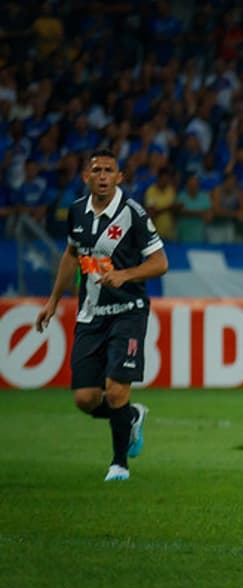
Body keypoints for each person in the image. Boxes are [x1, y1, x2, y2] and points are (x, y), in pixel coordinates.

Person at [34, 149, 168, 482]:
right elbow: (70, 255)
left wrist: (126, 275)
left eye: (110, 170)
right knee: (85, 398)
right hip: (90, 313)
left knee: (117, 389)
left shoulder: (133, 214)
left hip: (128, 311)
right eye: (97, 170)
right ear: (86, 177)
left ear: (119, 177)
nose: (104, 175)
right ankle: (131, 417)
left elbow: (160, 263)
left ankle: (119, 464)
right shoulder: (77, 212)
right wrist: (53, 300)